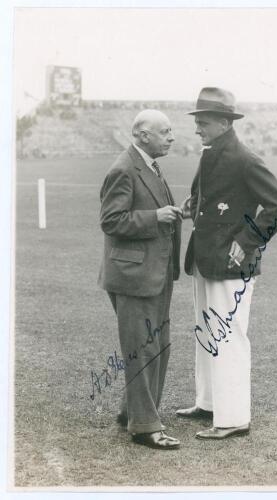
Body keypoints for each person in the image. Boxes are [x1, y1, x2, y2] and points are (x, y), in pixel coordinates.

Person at [177, 87, 277, 439]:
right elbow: (207, 195)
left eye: (204, 122)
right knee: (207, 332)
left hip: (231, 264)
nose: (198, 128)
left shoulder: (245, 158)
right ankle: (209, 404)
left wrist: (246, 242)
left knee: (228, 336)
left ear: (225, 123)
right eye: (197, 121)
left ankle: (232, 419)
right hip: (205, 259)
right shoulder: (209, 153)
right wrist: (192, 204)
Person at [98, 109, 182, 450]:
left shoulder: (149, 165)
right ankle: (145, 426)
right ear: (142, 135)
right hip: (134, 275)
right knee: (144, 348)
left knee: (155, 346)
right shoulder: (123, 168)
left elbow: (152, 211)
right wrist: (155, 217)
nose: (172, 136)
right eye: (165, 131)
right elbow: (111, 221)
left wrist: (174, 211)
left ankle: (132, 411)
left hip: (154, 272)